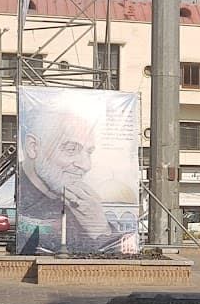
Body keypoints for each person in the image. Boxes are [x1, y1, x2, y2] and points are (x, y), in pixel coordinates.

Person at [17, 105, 126, 254]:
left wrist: (101, 228)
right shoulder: (11, 190)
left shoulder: (82, 205)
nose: (86, 166)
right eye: (71, 149)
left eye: (89, 152)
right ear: (33, 147)